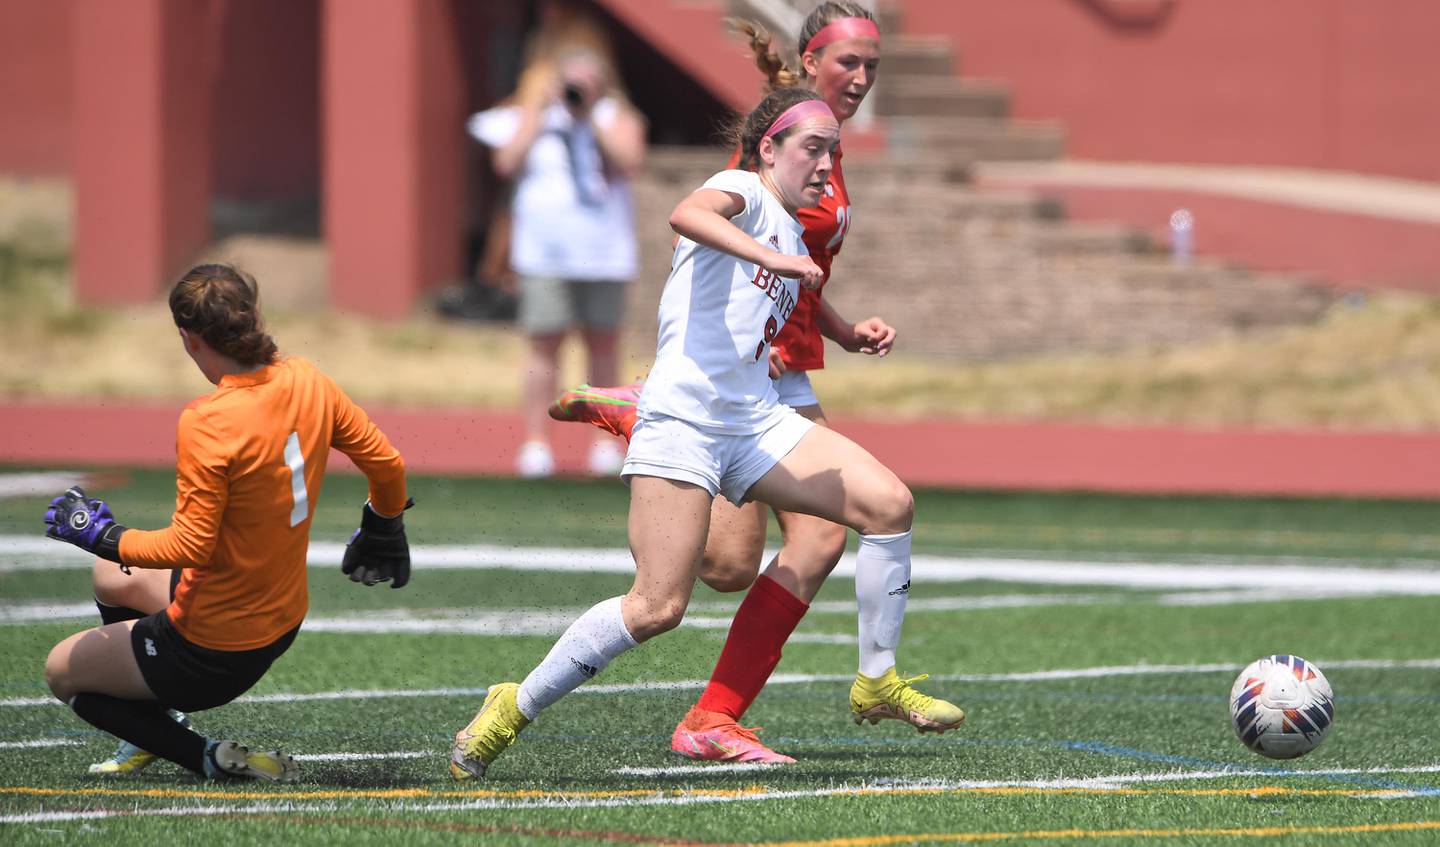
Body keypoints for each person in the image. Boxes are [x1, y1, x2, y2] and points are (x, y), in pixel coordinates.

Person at [450, 85, 926, 779]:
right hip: (684, 418)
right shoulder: (741, 187)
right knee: (657, 606)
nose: (826, 163)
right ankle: (512, 704)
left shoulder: (793, 230)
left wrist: (847, 332)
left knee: (889, 505)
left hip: (754, 418)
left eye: (835, 151)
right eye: (812, 148)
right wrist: (771, 260)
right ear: (770, 148)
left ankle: (876, 678)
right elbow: (688, 212)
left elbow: (795, 287)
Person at [549, 3, 962, 763]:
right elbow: (722, 241)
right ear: (810, 65)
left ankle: (722, 711)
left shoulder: (826, 153)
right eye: (848, 63)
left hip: (790, 371)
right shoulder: (769, 158)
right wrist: (759, 331)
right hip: (746, 381)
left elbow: (798, 270)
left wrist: (839, 328)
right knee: (738, 564)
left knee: (747, 563)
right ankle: (728, 707)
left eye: (874, 64)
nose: (863, 78)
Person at [43, 263, 413, 782]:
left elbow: (190, 545)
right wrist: (384, 523)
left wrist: (102, 536)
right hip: (280, 618)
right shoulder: (308, 378)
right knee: (110, 578)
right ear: (254, 315)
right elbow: (388, 465)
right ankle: (149, 723)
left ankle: (204, 756)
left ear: (188, 339)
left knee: (61, 672)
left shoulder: (209, 419)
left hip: (210, 650)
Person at [467, 13, 647, 479]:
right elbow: (504, 161)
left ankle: (605, 443)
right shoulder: (533, 116)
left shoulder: (616, 117)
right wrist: (538, 110)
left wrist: (591, 115)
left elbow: (629, 161)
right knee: (543, 346)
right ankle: (535, 443)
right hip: (545, 253)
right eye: (571, 83)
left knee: (603, 347)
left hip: (603, 254)